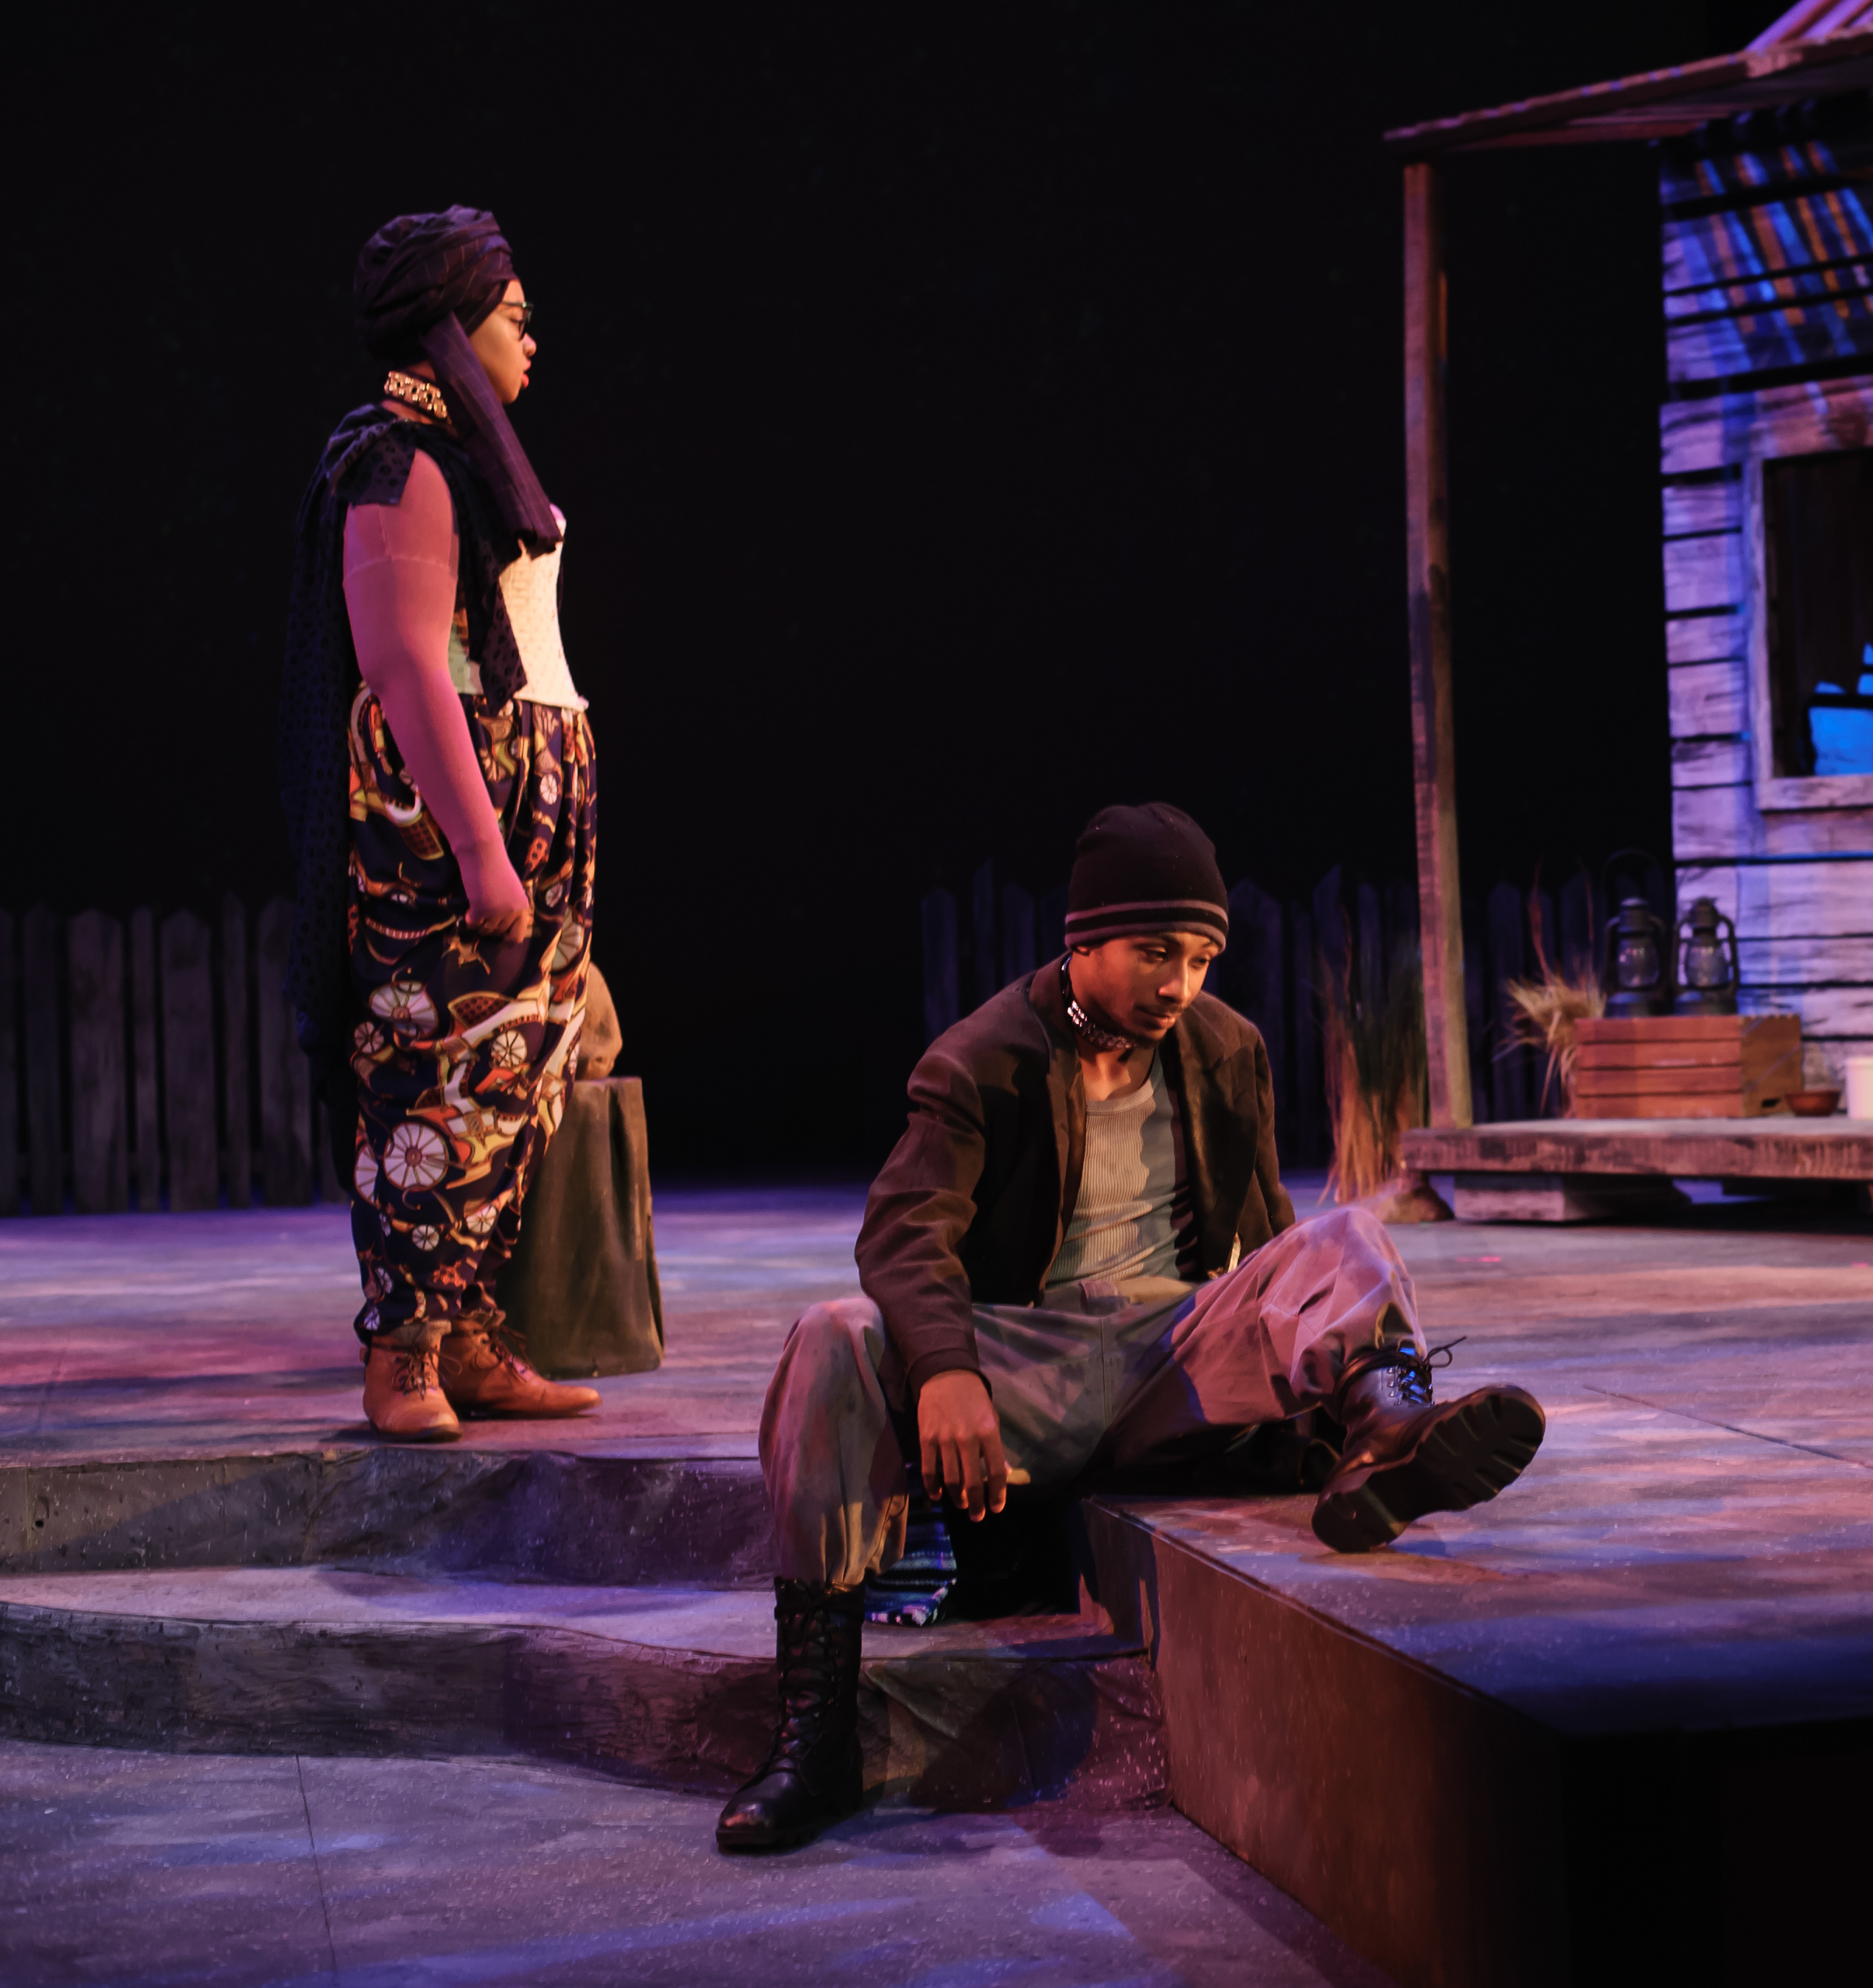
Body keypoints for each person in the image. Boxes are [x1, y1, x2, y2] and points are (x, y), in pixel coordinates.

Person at [716, 803, 1549, 1853]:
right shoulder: (982, 1059)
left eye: (1199, 957)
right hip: (1033, 1360)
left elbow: (1269, 1238)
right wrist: (946, 1369)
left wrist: (1303, 1379)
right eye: (1157, 952)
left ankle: (1387, 1428)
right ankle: (818, 1736)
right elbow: (904, 1233)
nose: (1180, 983)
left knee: (1345, 1232)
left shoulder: (1226, 1047)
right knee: (834, 1331)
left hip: (1172, 1352)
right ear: (1083, 939)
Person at [279, 207, 603, 1442]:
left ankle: (465, 1333)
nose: (533, 338)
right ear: (456, 326)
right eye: (515, 316)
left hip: (532, 797)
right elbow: (407, 665)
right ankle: (402, 1350)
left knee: (519, 1070)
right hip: (445, 816)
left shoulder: (463, 455)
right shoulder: (397, 460)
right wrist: (478, 848)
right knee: (434, 1070)